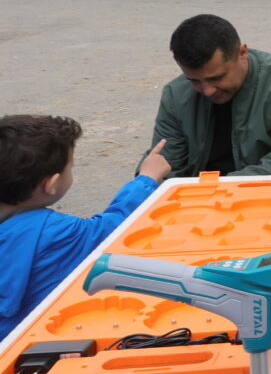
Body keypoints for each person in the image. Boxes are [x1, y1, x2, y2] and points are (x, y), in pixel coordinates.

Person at [0, 115, 171, 338]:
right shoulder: (55, 232)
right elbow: (115, 226)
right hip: (21, 346)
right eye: (70, 168)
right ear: (50, 184)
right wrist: (147, 177)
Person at [147, 15, 271, 177]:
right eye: (194, 80)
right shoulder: (176, 95)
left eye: (216, 78)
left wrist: (217, 191)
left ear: (242, 53)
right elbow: (165, 166)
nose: (208, 91)